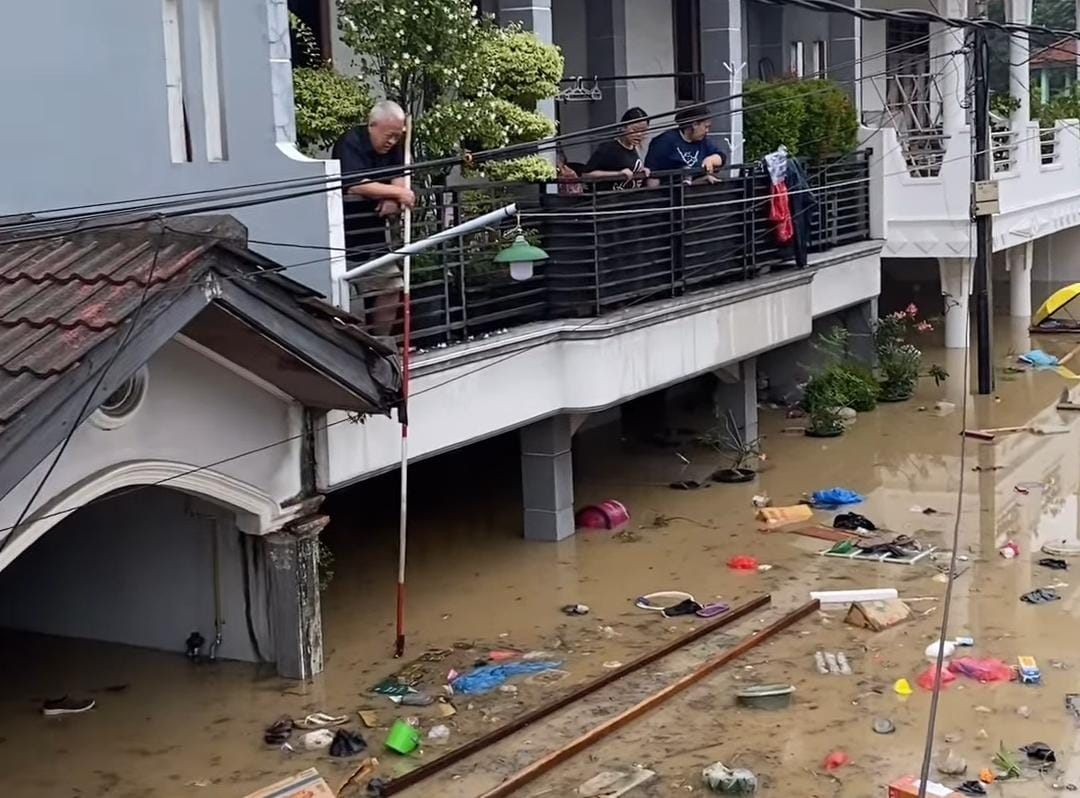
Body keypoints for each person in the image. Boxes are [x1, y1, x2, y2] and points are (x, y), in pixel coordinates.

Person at [333, 100, 416, 336]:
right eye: (389, 135)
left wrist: (394, 197)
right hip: (343, 238)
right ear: (373, 125)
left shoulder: (394, 146)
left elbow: (401, 176)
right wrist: (397, 193)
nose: (392, 141)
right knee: (341, 300)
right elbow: (355, 185)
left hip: (374, 237)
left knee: (392, 286)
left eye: (397, 136)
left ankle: (379, 342)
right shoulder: (350, 142)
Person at [644, 106, 726, 178]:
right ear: (695, 125)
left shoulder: (703, 141)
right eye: (706, 127)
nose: (707, 131)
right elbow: (653, 174)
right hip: (672, 191)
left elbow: (721, 157)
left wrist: (710, 160)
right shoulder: (664, 142)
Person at [582, 107, 651, 189]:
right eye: (634, 129)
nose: (639, 134)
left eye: (643, 131)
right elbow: (586, 175)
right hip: (608, 199)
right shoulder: (608, 148)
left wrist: (641, 172)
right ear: (623, 127)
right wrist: (618, 174)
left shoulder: (634, 148)